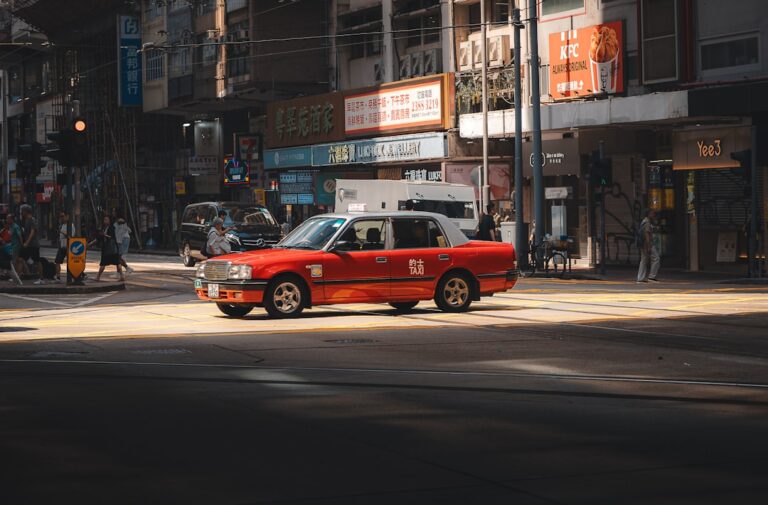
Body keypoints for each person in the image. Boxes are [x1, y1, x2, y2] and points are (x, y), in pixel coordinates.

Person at [88, 215, 123, 282]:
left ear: (109, 221)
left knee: (116, 262)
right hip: (107, 248)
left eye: (106, 219)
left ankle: (121, 276)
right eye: (104, 220)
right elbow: (99, 238)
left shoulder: (112, 228)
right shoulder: (103, 228)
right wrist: (90, 244)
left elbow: (111, 236)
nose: (105, 221)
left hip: (111, 248)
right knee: (105, 263)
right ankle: (98, 277)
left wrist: (104, 235)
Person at [19, 204, 42, 283]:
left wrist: (27, 242)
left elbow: (32, 232)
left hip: (33, 245)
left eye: (22, 211)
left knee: (37, 261)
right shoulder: (26, 220)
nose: (21, 212)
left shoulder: (31, 220)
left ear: (26, 211)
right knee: (21, 258)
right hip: (29, 245)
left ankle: (41, 279)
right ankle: (18, 276)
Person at [637, 209, 660, 283]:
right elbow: (647, 234)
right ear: (649, 214)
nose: (654, 215)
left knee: (643, 260)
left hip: (643, 244)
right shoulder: (647, 222)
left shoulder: (643, 221)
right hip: (647, 244)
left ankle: (640, 278)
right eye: (652, 213)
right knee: (656, 258)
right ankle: (652, 277)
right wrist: (649, 245)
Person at [54, 212, 74, 282]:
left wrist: (62, 232)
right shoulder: (62, 225)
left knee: (71, 262)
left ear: (67, 216)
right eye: (61, 216)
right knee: (57, 261)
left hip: (68, 246)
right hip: (62, 246)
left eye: (63, 216)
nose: (62, 218)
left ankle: (78, 274)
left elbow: (71, 236)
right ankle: (58, 277)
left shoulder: (71, 225)